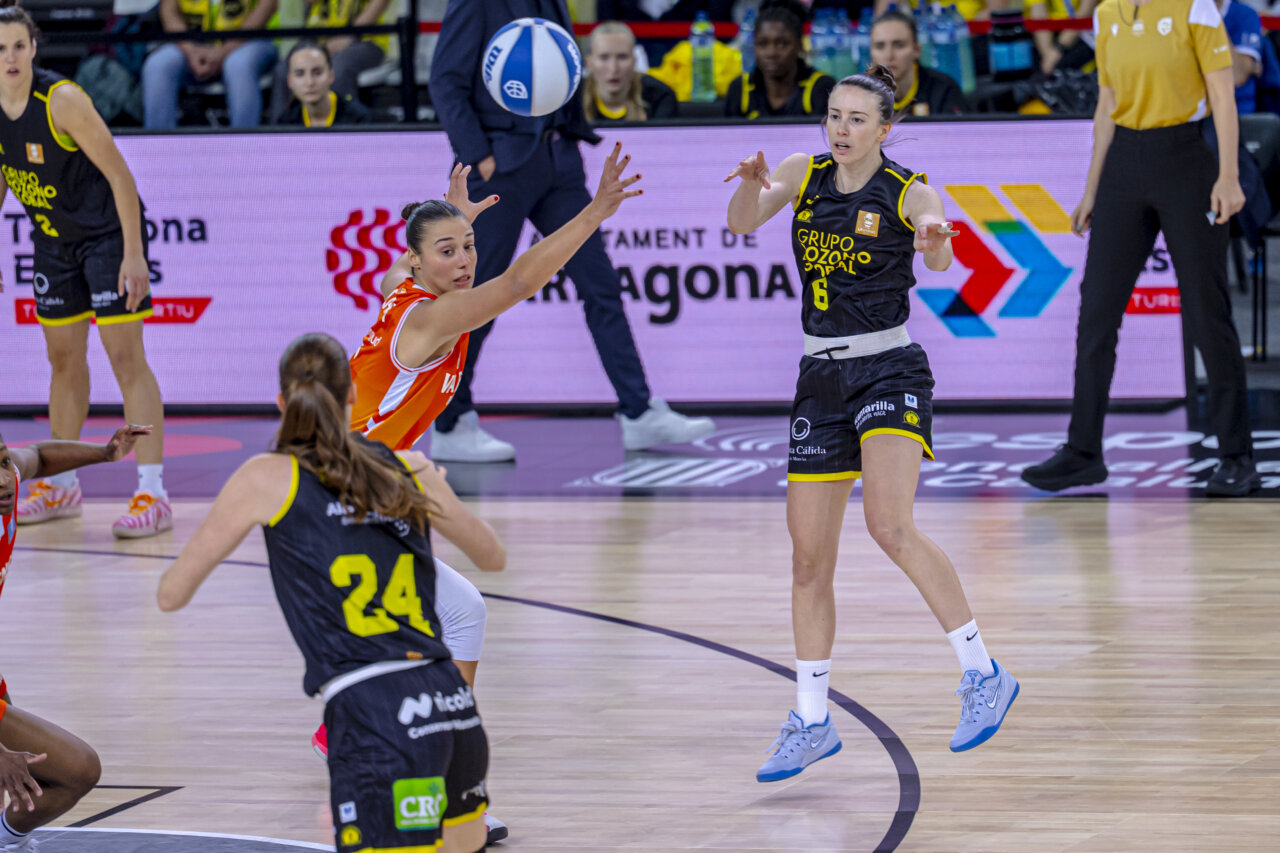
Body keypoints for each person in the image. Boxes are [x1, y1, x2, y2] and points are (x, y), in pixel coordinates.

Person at [725, 65, 1019, 782]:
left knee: (889, 523)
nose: (842, 129)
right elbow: (740, 222)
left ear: (886, 129)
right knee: (806, 560)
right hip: (818, 378)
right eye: (834, 115)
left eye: (858, 118)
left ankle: (983, 674)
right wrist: (747, 183)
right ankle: (812, 719)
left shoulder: (908, 187)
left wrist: (934, 239)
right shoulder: (802, 173)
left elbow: (940, 245)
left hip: (888, 368)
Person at [157, 334, 494, 853]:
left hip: (375, 715)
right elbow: (492, 556)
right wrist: (432, 488)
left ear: (280, 403)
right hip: (452, 705)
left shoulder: (267, 476)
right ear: (354, 396)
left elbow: (170, 595)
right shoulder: (406, 466)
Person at [428, 0, 716, 463]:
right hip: (499, 167)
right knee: (477, 295)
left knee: (600, 282)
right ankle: (450, 421)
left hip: (557, 161)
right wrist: (480, 155)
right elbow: (444, 81)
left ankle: (638, 411)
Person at [1021, 0, 1258, 497]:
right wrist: (1092, 189)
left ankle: (1236, 457)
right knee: (1097, 312)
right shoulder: (1106, 14)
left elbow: (1222, 96)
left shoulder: (1196, 9)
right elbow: (1106, 104)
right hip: (1124, 167)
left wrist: (1229, 176)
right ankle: (1083, 452)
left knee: (1205, 312)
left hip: (1186, 160)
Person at [0, 3, 170, 539]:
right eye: (0, 48)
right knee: (62, 360)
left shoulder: (63, 100)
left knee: (125, 357)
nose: (10, 57)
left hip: (106, 238)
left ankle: (152, 488)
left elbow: (121, 175)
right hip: (53, 243)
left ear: (34, 48)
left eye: (19, 46)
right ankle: (62, 485)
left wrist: (134, 254)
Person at [0, 423, 151, 851]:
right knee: (79, 769)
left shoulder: (8, 486)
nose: (4, 477)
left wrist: (104, 454)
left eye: (3, 461)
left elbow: (40, 455)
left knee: (26, 777)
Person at [142, 0, 278, 129]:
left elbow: (268, 5)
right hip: (190, 44)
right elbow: (168, 9)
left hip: (248, 41)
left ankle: (244, 146)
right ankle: (159, 147)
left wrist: (224, 51)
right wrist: (190, 50)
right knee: (158, 65)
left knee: (238, 65)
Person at [269, 0, 392, 124]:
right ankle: (277, 136)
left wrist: (351, 35)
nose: (309, 82)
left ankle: (344, 130)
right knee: (283, 70)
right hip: (319, 36)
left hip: (365, 39)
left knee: (339, 68)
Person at [725, 0, 834, 120]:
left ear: (800, 45)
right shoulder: (740, 88)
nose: (771, 53)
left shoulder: (821, 87)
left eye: (782, 44)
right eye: (762, 44)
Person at [870, 10, 965, 118]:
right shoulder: (861, 95)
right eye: (879, 46)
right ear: (871, 53)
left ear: (916, 50)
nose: (888, 55)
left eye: (899, 45)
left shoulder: (944, 90)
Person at [583, 21, 679, 123]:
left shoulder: (661, 96)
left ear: (634, 62)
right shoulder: (571, 97)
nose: (613, 68)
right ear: (589, 63)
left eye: (622, 57)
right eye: (604, 57)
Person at [279, 41, 372, 127]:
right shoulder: (285, 123)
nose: (310, 82)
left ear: (331, 76)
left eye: (317, 73)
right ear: (289, 81)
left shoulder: (358, 119)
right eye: (300, 74)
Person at [1219, 0, 1264, 114]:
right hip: (1192, 109)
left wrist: (1213, 19)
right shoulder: (1181, 13)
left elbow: (1238, 76)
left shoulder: (1244, 14)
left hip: (1237, 109)